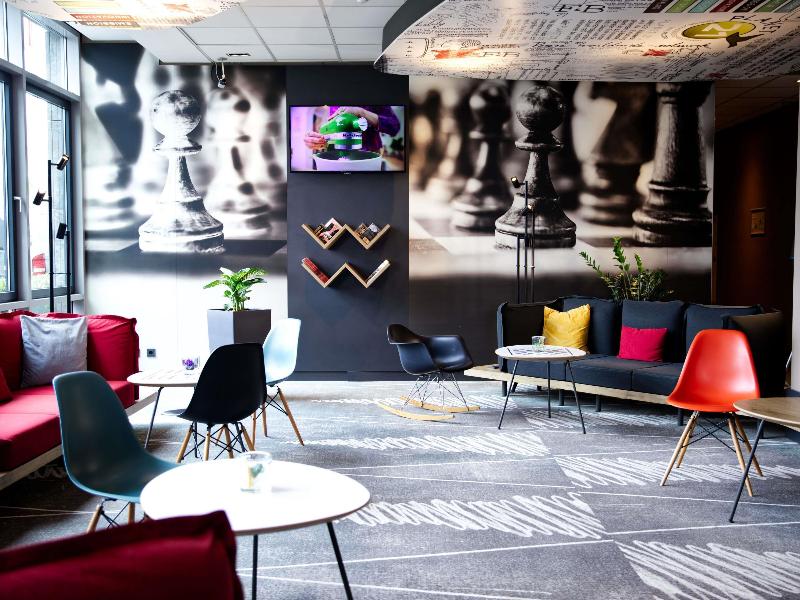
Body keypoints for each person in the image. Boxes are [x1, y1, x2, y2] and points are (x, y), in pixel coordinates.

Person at [304, 105, 400, 153]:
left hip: (368, 157)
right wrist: (317, 141)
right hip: (338, 158)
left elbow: (394, 127)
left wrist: (361, 112)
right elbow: (331, 135)